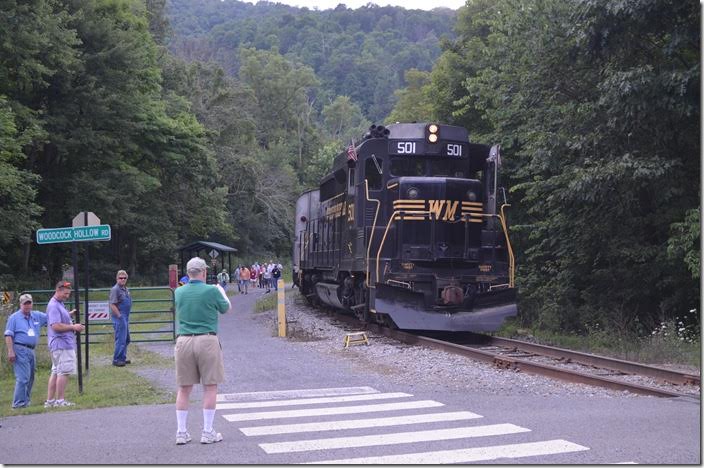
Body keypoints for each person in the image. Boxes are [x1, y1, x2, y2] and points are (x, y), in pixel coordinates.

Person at [174, 257, 231, 445]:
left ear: (189, 273)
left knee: (184, 388)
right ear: (204, 272)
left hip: (183, 341)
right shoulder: (211, 291)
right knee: (210, 386)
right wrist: (221, 292)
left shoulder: (179, 292)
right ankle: (207, 432)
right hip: (207, 339)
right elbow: (226, 309)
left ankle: (181, 432)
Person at [45, 280, 85, 408]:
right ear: (58, 290)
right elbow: (56, 325)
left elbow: (58, 318)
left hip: (58, 344)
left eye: (68, 294)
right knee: (64, 372)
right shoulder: (54, 305)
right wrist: (73, 327)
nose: (67, 296)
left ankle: (50, 401)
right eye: (65, 293)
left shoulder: (58, 304)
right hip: (62, 344)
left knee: (56, 371)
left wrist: (69, 314)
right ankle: (60, 401)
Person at [4, 294, 48, 408]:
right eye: (25, 304)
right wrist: (10, 351)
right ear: (20, 304)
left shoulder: (37, 315)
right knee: (23, 378)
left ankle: (25, 402)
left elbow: (52, 317)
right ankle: (18, 404)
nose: (27, 306)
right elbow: (8, 335)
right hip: (19, 349)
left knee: (30, 378)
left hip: (31, 350)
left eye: (29, 303)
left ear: (32, 303)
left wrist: (68, 315)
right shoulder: (14, 317)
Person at [109, 270, 132, 367]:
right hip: (119, 317)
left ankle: (122, 357)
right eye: (120, 278)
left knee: (126, 339)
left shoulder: (125, 289)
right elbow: (112, 304)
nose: (122, 279)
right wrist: (119, 316)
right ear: (117, 278)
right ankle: (117, 359)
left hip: (125, 316)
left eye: (124, 278)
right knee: (121, 339)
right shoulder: (115, 289)